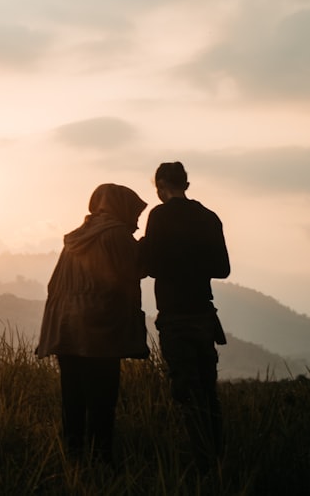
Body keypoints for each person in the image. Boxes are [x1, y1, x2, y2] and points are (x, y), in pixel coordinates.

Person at [36, 183, 150, 464]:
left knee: (72, 400)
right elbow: (134, 271)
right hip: (99, 332)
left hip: (65, 329)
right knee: (102, 401)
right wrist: (148, 245)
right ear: (121, 208)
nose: (136, 222)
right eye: (134, 214)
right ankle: (101, 463)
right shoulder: (116, 235)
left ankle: (73, 460)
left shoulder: (77, 237)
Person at [139, 161, 230, 473]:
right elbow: (223, 269)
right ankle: (217, 459)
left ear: (162, 185)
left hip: (175, 315)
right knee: (208, 392)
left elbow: (149, 265)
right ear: (186, 184)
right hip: (204, 314)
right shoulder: (208, 217)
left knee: (186, 393)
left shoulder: (159, 215)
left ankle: (202, 464)